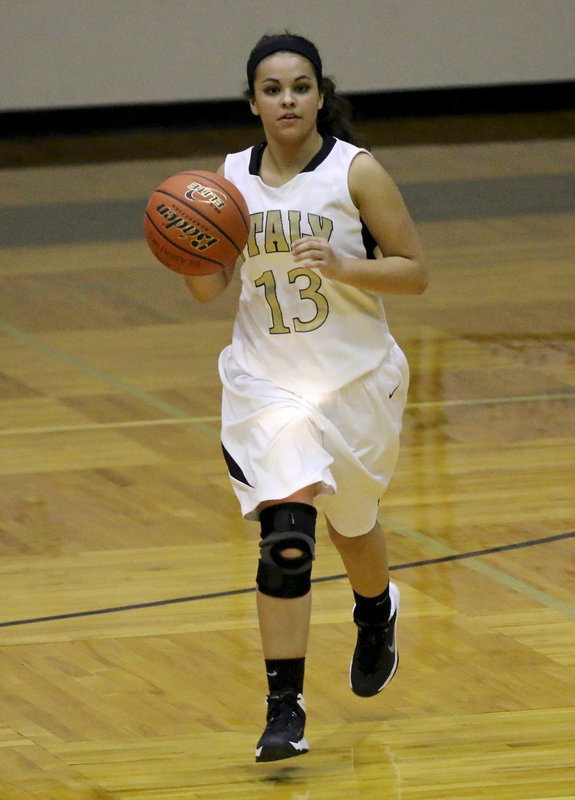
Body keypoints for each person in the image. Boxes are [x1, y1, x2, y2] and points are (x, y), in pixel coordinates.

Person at [184, 32, 428, 762]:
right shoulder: (227, 182)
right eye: (271, 88)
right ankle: (282, 711)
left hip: (354, 381)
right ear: (252, 101)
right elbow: (206, 291)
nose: (285, 100)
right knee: (286, 540)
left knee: (353, 527)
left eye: (298, 87)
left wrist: (347, 267)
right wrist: (187, 246)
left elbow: (413, 272)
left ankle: (373, 610)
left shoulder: (356, 173)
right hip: (266, 383)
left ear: (320, 95)